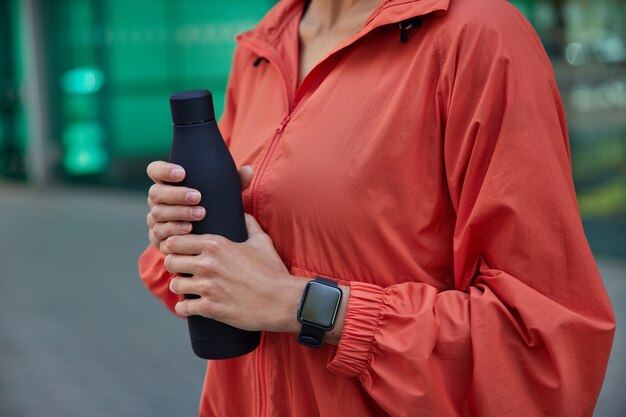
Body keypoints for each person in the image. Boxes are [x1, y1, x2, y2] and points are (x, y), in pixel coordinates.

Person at [138, 0, 616, 415]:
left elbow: (543, 356)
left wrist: (301, 304)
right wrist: (183, 236)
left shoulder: (478, 34)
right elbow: (226, 278)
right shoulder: (264, 45)